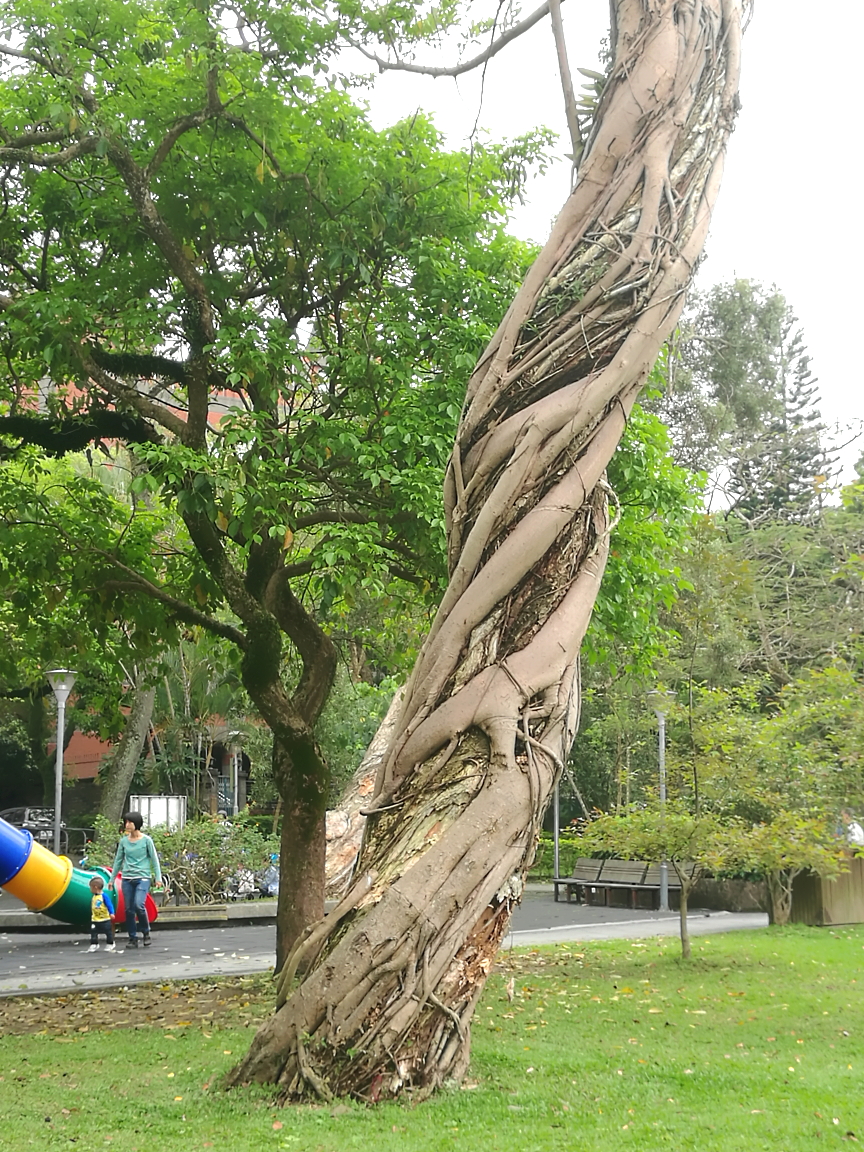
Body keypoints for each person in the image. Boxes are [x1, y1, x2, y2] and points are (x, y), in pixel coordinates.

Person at [108, 811, 164, 948]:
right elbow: (118, 861)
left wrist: (158, 878)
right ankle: (132, 938)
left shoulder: (146, 840)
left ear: (136, 824)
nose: (127, 825)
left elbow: (154, 860)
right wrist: (112, 879)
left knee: (139, 905)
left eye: (129, 822)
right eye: (125, 822)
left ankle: (146, 932)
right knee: (129, 910)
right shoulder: (124, 842)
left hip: (143, 877)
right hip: (127, 878)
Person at [87, 876, 116, 953]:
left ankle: (110, 943)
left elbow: (109, 905)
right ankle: (94, 943)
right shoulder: (93, 897)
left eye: (91, 887)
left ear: (95, 887)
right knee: (93, 932)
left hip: (105, 918)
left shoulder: (104, 896)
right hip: (95, 919)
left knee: (108, 931)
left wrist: (112, 913)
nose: (90, 889)